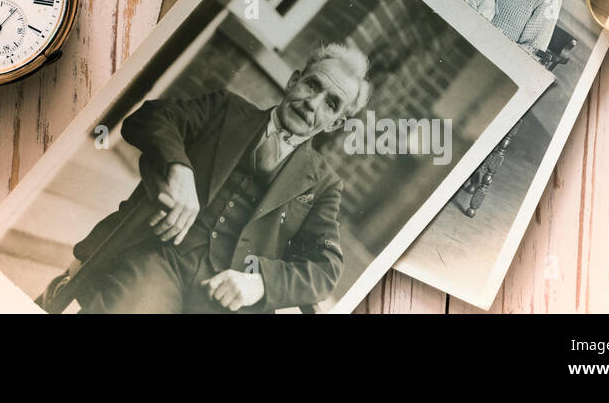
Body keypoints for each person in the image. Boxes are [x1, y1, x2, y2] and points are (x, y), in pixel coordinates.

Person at [46, 42, 372, 313]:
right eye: (312, 85)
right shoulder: (226, 110)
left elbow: (326, 268)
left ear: (334, 124)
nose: (312, 103)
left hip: (224, 299)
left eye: (331, 104)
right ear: (294, 80)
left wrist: (259, 281)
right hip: (163, 259)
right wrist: (179, 168)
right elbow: (150, 118)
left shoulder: (324, 184)